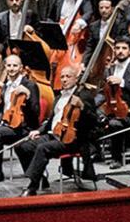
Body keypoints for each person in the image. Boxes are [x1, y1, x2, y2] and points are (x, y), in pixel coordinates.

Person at [20, 67, 98, 196]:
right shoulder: (59, 96)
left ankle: (32, 186)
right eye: (62, 77)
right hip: (54, 134)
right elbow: (51, 120)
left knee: (43, 148)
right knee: (23, 146)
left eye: (68, 76)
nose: (65, 80)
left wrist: (82, 107)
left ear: (76, 79)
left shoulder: (84, 95)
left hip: (73, 139)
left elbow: (93, 121)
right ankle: (41, 178)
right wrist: (38, 131)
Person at [0, 53, 42, 184]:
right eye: (9, 65)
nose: (11, 68)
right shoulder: (6, 86)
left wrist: (28, 97)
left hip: (24, 127)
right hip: (8, 124)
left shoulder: (30, 85)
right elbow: (5, 109)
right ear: (5, 67)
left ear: (21, 68)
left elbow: (36, 113)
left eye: (15, 66)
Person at [97, 37, 130, 164]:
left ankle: (117, 158)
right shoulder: (109, 69)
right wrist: (90, 106)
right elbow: (103, 93)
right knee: (88, 117)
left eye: (124, 48)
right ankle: (95, 153)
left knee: (115, 124)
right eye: (117, 48)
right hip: (112, 109)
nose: (120, 51)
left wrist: (123, 82)